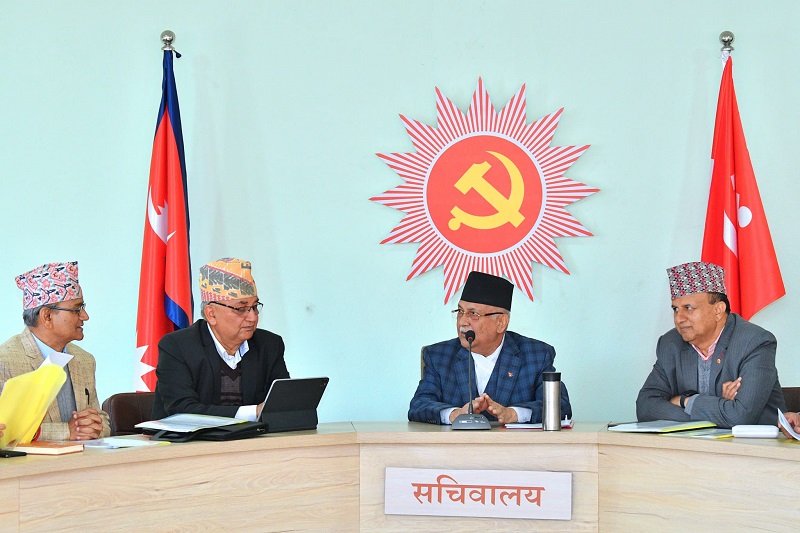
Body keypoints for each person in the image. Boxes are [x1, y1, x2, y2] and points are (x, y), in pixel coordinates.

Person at [409, 271, 572, 425]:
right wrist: (455, 414)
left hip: (515, 446)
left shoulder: (536, 355)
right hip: (457, 445)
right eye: (460, 311)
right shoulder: (438, 356)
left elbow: (560, 406)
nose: (462, 322)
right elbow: (419, 405)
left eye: (473, 314)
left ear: (501, 323)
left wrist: (513, 414)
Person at [636, 261, 786, 429]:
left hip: (754, 444)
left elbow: (740, 417)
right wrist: (720, 409)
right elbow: (645, 407)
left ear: (718, 311)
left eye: (688, 308)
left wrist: (686, 401)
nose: (679, 318)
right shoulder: (670, 344)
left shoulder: (754, 342)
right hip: (695, 444)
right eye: (676, 309)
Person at [151, 258, 290, 420]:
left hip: (252, 436)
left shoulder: (270, 345)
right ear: (211, 314)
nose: (252, 317)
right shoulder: (177, 347)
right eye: (241, 309)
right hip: (188, 436)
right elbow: (182, 411)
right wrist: (253, 412)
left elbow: (283, 403)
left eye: (254, 307)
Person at [0, 262, 109, 440]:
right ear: (47, 316)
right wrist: (67, 431)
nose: (85, 316)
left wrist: (95, 426)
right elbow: (6, 430)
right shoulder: (5, 361)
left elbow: (100, 418)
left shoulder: (84, 360)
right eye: (77, 309)